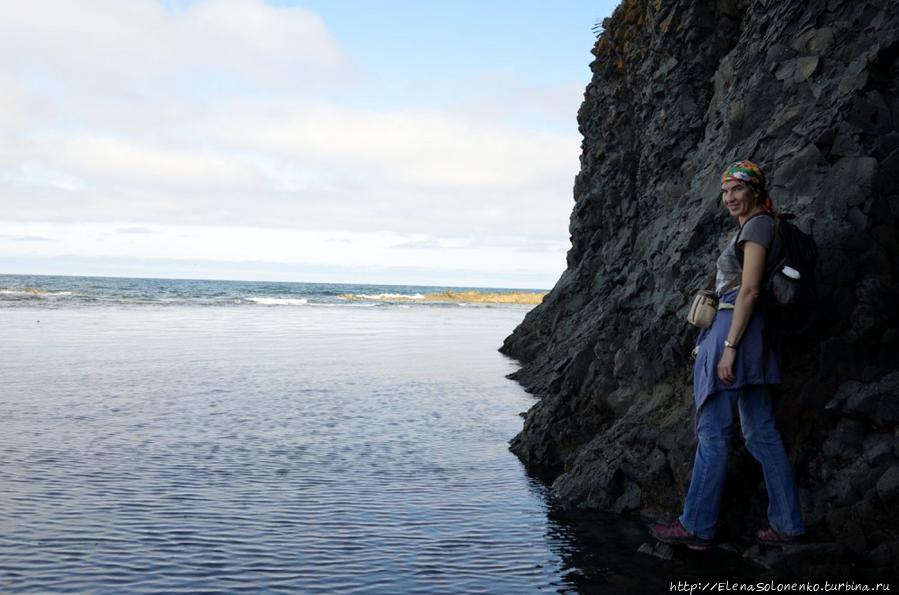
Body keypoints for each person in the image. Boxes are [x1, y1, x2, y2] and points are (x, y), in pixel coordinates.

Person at [650, 160, 805, 550]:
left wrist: (729, 349)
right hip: (755, 338)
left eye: (738, 188)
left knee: (714, 433)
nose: (730, 197)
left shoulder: (757, 226)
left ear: (755, 190)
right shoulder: (761, 226)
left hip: (735, 335)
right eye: (725, 191)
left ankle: (696, 526)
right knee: (761, 434)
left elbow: (749, 291)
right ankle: (788, 524)